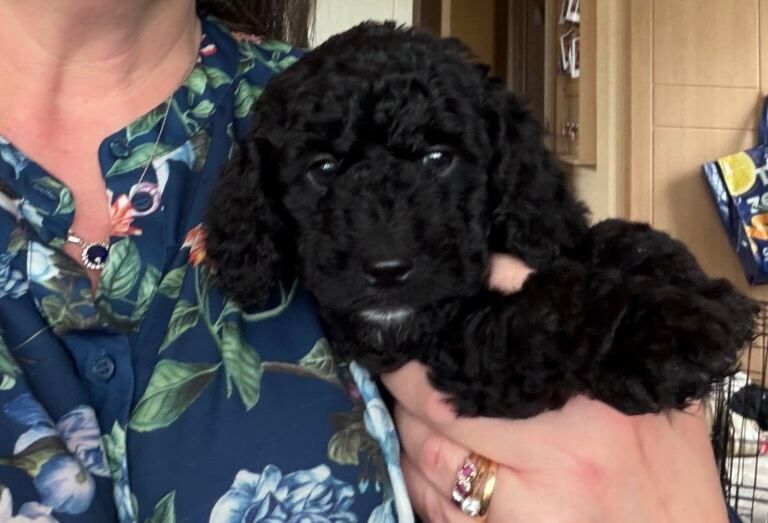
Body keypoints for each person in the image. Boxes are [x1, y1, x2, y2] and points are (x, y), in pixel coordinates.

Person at [0, 1, 735, 522]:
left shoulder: (298, 100)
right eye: (324, 172)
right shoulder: (286, 141)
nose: (385, 241)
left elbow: (559, 257)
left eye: (438, 158)